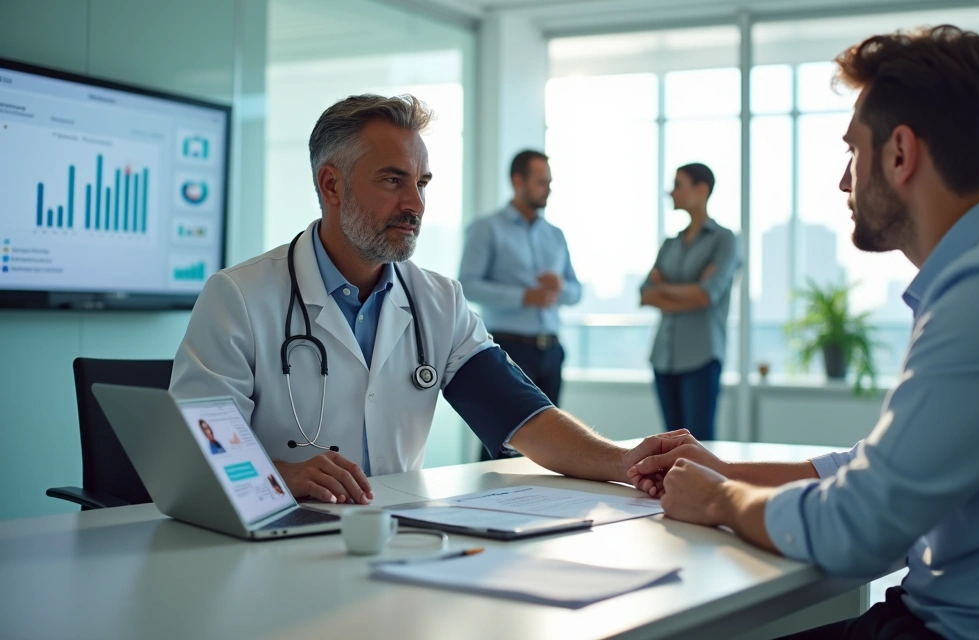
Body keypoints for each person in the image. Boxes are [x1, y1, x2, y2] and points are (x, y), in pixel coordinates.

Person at [628, 26, 979, 640]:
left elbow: (855, 529)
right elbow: (876, 469)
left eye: (854, 151)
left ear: (901, 154)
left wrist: (719, 500)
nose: (844, 181)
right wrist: (726, 470)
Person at [170, 94, 673, 506]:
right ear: (331, 184)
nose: (414, 204)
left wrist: (622, 462)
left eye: (422, 183)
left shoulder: (438, 301)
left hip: (393, 535)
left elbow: (523, 417)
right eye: (393, 180)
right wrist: (280, 474)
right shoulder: (238, 296)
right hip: (273, 536)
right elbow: (193, 451)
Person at [459, 150, 580, 460]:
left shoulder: (556, 235)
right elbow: (468, 285)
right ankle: (482, 506)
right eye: (541, 182)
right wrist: (523, 297)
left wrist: (561, 288)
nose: (548, 188)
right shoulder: (487, 228)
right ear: (518, 181)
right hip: (509, 349)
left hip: (551, 351)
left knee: (549, 443)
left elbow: (576, 292)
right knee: (500, 441)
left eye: (549, 182)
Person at [640, 163, 739, 441]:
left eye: (678, 185)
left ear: (701, 189)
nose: (671, 192)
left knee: (700, 443)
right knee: (669, 443)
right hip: (664, 356)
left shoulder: (724, 239)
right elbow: (646, 293)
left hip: (701, 356)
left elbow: (707, 294)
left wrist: (666, 289)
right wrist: (690, 290)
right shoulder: (671, 243)